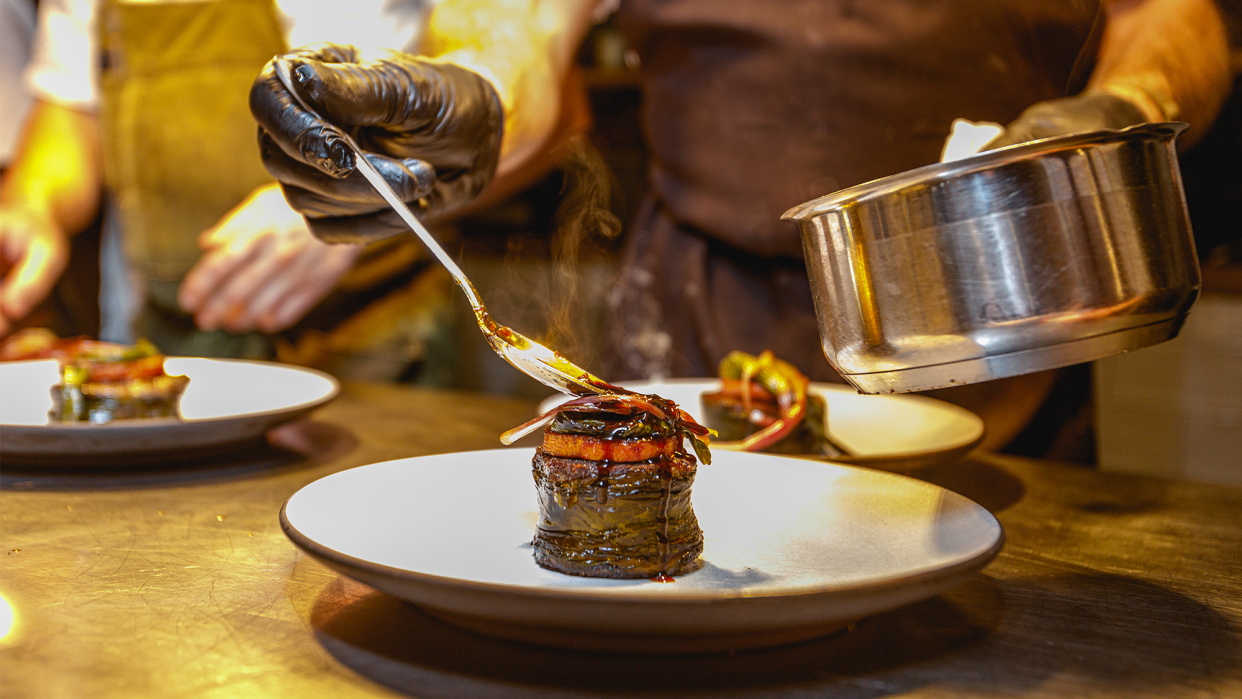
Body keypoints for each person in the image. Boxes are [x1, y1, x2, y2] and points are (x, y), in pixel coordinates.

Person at [250, 0, 1232, 448]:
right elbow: (536, 27)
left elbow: (1175, 13)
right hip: (693, 316)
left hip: (1003, 313)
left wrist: (1128, 106)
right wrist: (484, 101)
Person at [0, 0, 470, 381]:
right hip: (171, 362)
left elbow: (508, 89)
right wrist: (35, 203)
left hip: (378, 362)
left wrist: (356, 195)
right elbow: (72, 114)